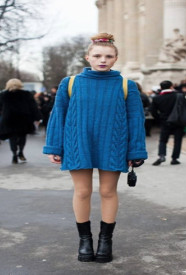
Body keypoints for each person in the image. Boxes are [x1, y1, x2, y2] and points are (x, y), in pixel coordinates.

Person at [43, 33, 147, 263]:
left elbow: (135, 119)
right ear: (87, 57)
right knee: (82, 192)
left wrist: (136, 150)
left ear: (115, 58)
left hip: (114, 144)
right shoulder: (69, 83)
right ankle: (85, 240)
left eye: (108, 56)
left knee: (108, 192)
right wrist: (54, 146)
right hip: (78, 143)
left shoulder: (126, 85)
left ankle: (105, 241)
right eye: (98, 55)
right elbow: (58, 114)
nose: (103, 60)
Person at [0, 79, 42, 164]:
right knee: (22, 136)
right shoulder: (26, 94)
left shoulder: (3, 95)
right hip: (24, 118)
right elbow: (33, 106)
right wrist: (37, 117)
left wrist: (5, 111)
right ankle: (21, 151)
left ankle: (14, 154)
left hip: (9, 118)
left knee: (12, 137)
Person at [151, 80, 186, 165]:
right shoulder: (179, 96)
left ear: (161, 88)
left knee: (163, 140)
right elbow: (184, 109)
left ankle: (162, 155)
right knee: (177, 140)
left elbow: (153, 111)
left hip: (165, 121)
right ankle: (174, 158)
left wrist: (159, 119)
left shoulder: (156, 98)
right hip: (178, 121)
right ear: (171, 87)